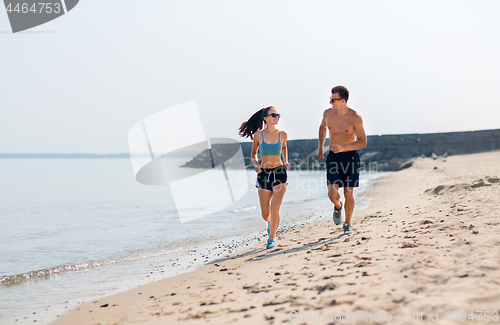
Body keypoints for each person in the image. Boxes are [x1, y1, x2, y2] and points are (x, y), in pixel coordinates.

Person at [238, 106, 291, 249]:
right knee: (265, 214)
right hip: (264, 174)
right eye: (273, 115)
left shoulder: (283, 134)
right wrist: (256, 164)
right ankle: (270, 223)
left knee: (275, 210)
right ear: (265, 118)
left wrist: (285, 161)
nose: (276, 117)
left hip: (280, 172)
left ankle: (271, 238)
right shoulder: (258, 135)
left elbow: (284, 148)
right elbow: (254, 153)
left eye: (278, 115)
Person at [318, 86, 367, 235]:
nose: (330, 102)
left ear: (343, 101)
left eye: (333, 99)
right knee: (332, 193)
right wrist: (320, 147)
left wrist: (343, 147)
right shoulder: (327, 113)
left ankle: (348, 223)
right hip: (333, 156)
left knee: (348, 192)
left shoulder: (355, 117)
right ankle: (338, 207)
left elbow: (363, 142)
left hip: (350, 157)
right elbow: (322, 128)